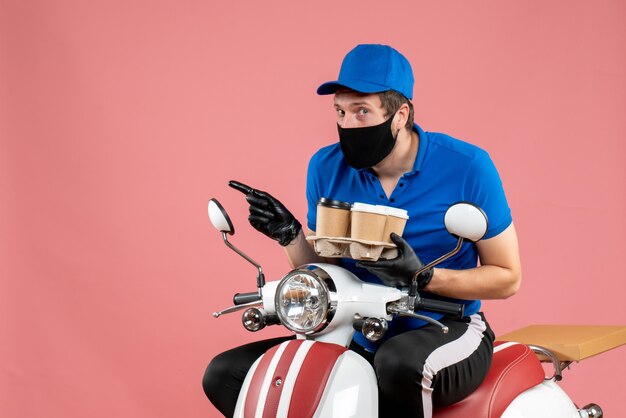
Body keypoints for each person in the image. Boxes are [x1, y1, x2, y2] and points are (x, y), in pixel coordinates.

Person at [203, 44, 521, 418]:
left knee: (399, 364)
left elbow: (507, 278)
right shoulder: (325, 166)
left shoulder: (468, 167)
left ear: (400, 115)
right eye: (340, 112)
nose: (347, 125)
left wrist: (423, 276)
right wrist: (289, 235)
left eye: (361, 112)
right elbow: (327, 269)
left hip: (448, 323)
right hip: (355, 328)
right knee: (227, 375)